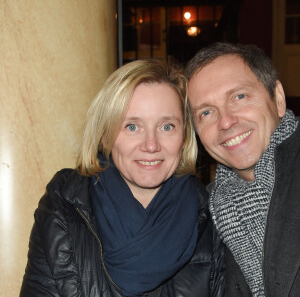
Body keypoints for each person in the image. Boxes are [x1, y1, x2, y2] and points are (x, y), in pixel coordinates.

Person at [20, 59, 224, 297]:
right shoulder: (63, 209)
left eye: (167, 127)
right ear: (105, 135)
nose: (151, 145)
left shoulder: (214, 216)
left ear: (185, 138)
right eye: (132, 127)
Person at [186, 42, 300, 297]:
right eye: (206, 112)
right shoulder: (207, 214)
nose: (225, 121)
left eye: (239, 97)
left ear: (278, 98)